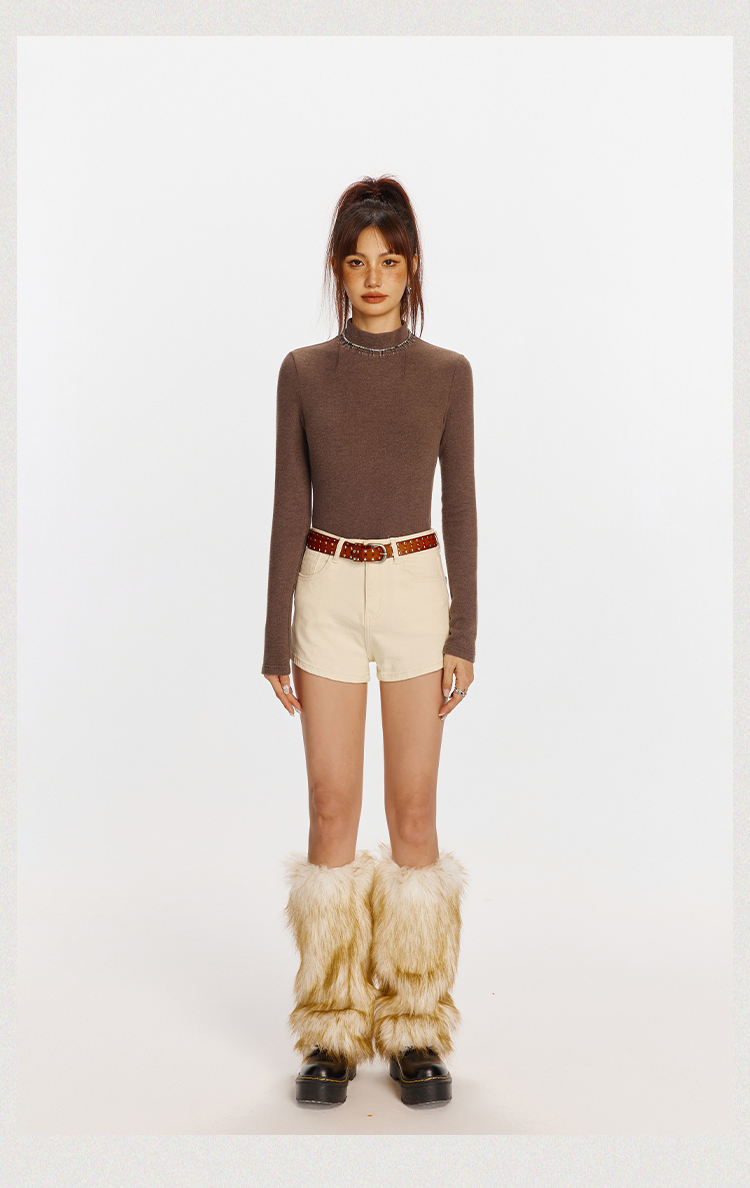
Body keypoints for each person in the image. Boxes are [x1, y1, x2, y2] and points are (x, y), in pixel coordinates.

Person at [261, 175, 477, 1108]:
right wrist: (275, 636)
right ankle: (332, 1024)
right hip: (325, 586)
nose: (374, 277)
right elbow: (288, 504)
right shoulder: (303, 372)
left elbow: (461, 506)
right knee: (331, 806)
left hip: (414, 587)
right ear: (339, 270)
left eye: (390, 260)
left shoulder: (447, 374)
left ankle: (417, 1022)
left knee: (414, 808)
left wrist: (464, 628)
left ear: (412, 267)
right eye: (357, 262)